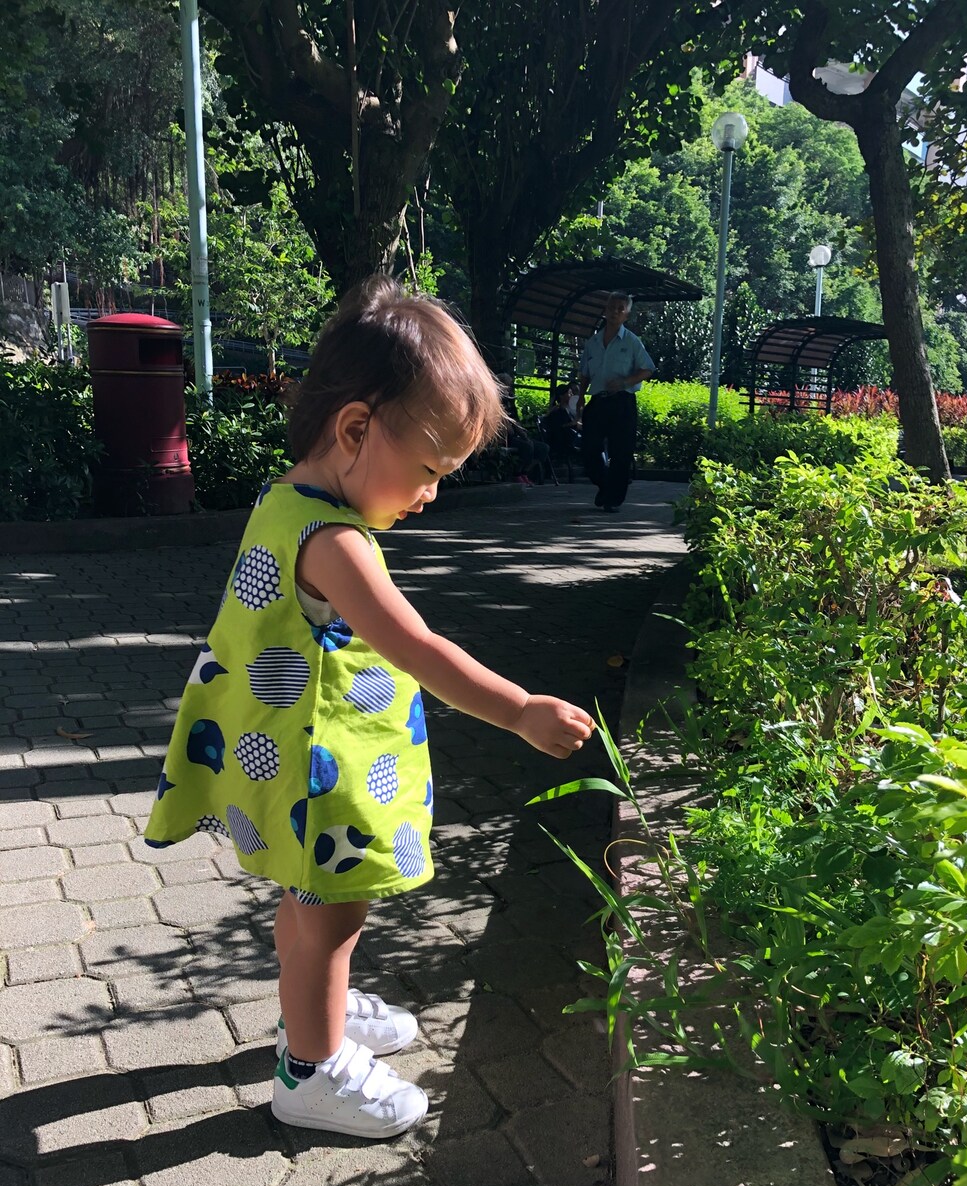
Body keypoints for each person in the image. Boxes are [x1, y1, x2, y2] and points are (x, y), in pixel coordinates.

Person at [143, 278, 594, 1140]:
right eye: (428, 471)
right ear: (355, 430)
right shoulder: (337, 542)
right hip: (323, 771)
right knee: (333, 916)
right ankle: (311, 1070)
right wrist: (519, 709)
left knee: (309, 906)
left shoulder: (287, 501)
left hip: (293, 754)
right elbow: (417, 648)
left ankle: (315, 1008)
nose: (430, 496)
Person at [578, 291, 655, 512]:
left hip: (623, 402)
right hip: (598, 401)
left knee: (621, 453)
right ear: (605, 310)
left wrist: (624, 382)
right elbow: (584, 373)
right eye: (612, 307)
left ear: (626, 315)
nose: (615, 312)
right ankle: (604, 485)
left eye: (620, 309)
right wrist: (581, 397)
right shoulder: (593, 342)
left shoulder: (632, 342)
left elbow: (647, 369)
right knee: (589, 449)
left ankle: (613, 500)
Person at [497, 371, 549, 484]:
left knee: (543, 448)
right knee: (527, 447)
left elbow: (515, 419)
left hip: (516, 434)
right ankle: (517, 473)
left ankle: (524, 472)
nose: (508, 388)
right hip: (505, 437)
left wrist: (522, 433)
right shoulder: (496, 401)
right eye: (507, 385)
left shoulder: (510, 400)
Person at [541, 383, 583, 473]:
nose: (572, 395)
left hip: (570, 436)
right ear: (562, 396)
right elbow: (560, 426)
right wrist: (575, 424)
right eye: (569, 393)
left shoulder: (567, 409)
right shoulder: (558, 410)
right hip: (564, 439)